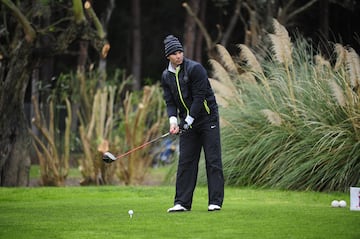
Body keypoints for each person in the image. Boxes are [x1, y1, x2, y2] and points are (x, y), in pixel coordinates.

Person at [161, 35, 224, 212]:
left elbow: (199, 99)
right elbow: (170, 102)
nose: (178, 55)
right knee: (186, 161)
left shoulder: (195, 69)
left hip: (207, 118)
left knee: (213, 159)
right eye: (174, 53)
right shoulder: (166, 76)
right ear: (168, 57)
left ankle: (215, 202)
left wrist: (187, 121)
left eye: (180, 51)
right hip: (187, 122)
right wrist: (174, 122)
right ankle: (181, 203)